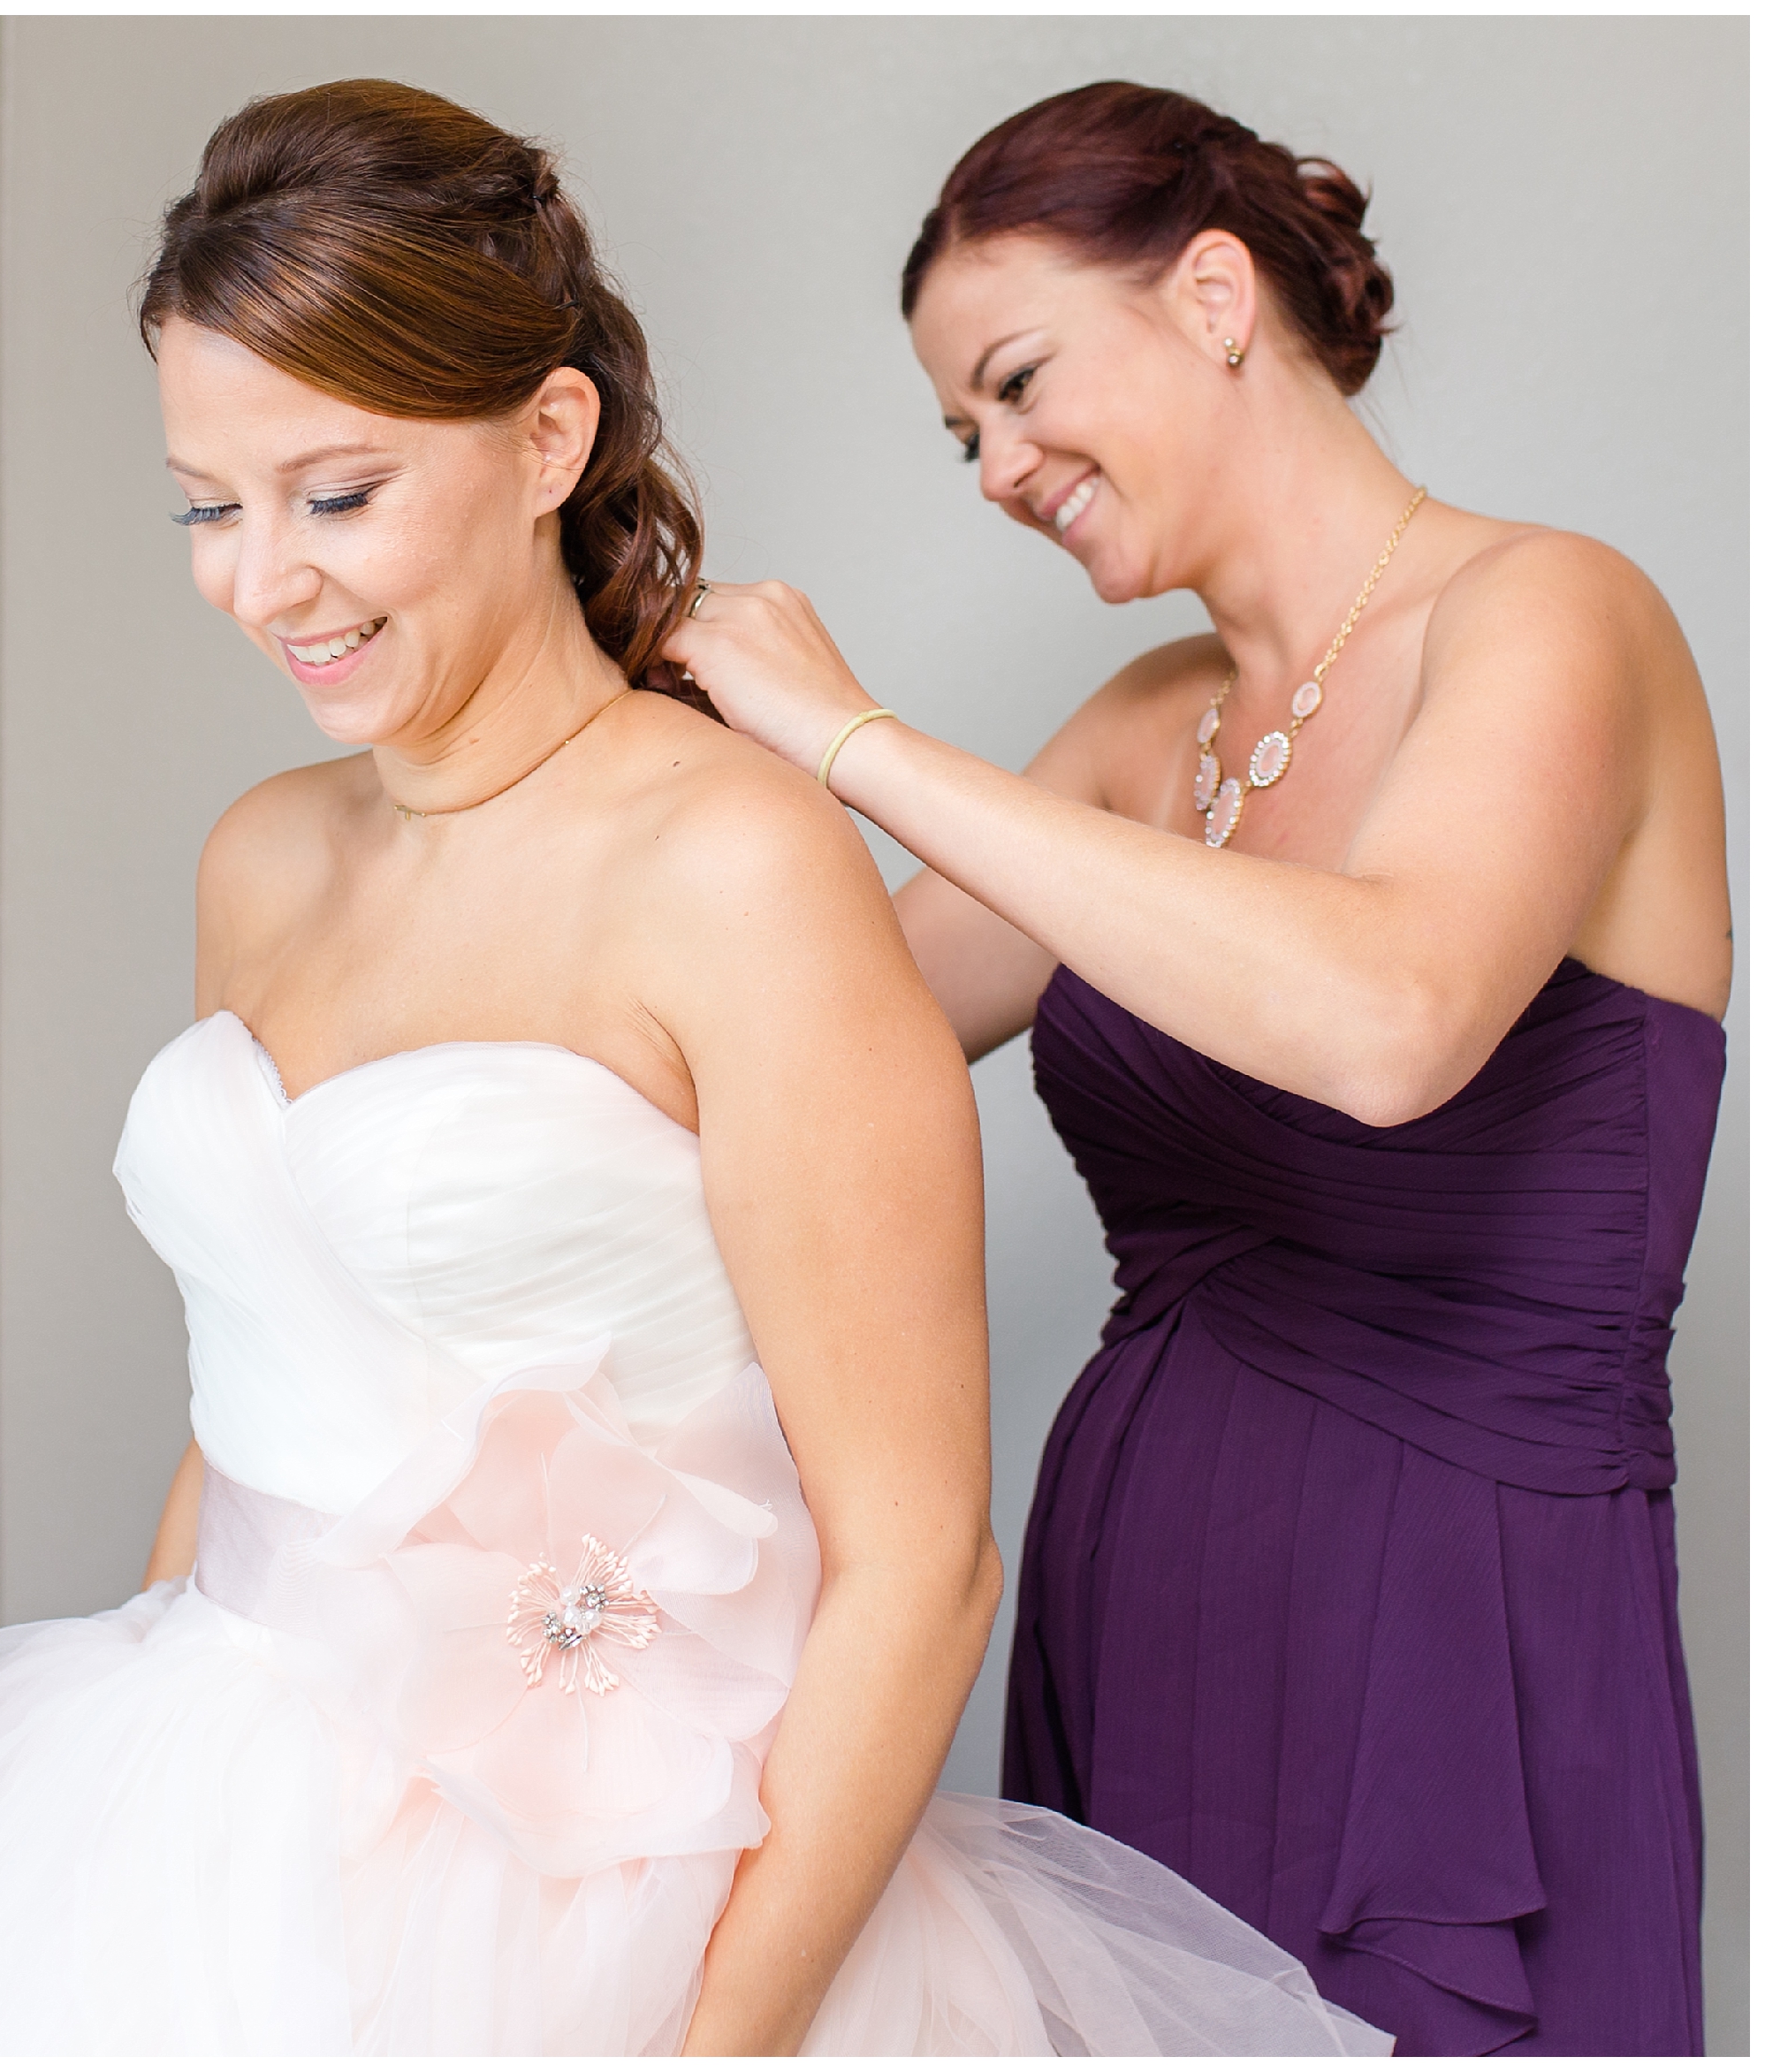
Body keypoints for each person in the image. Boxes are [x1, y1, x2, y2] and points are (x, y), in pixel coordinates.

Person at [0, 80, 1381, 2055]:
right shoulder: (260, 855)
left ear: (548, 438)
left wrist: (716, 2044)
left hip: (608, 1906)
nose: (260, 583)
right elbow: (254, 1397)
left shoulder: (737, 867)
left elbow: (918, 1558)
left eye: (336, 495)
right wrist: (133, 1806)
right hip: (211, 1837)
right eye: (210, 506)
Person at [662, 80, 1728, 2056]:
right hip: (1139, 1605)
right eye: (962, 433)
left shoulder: (1551, 612)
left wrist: (852, 740)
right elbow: (786, 1056)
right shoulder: (1145, 725)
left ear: (1218, 297)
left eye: (1014, 383)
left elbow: (1392, 1020)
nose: (995, 466)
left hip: (1466, 1646)